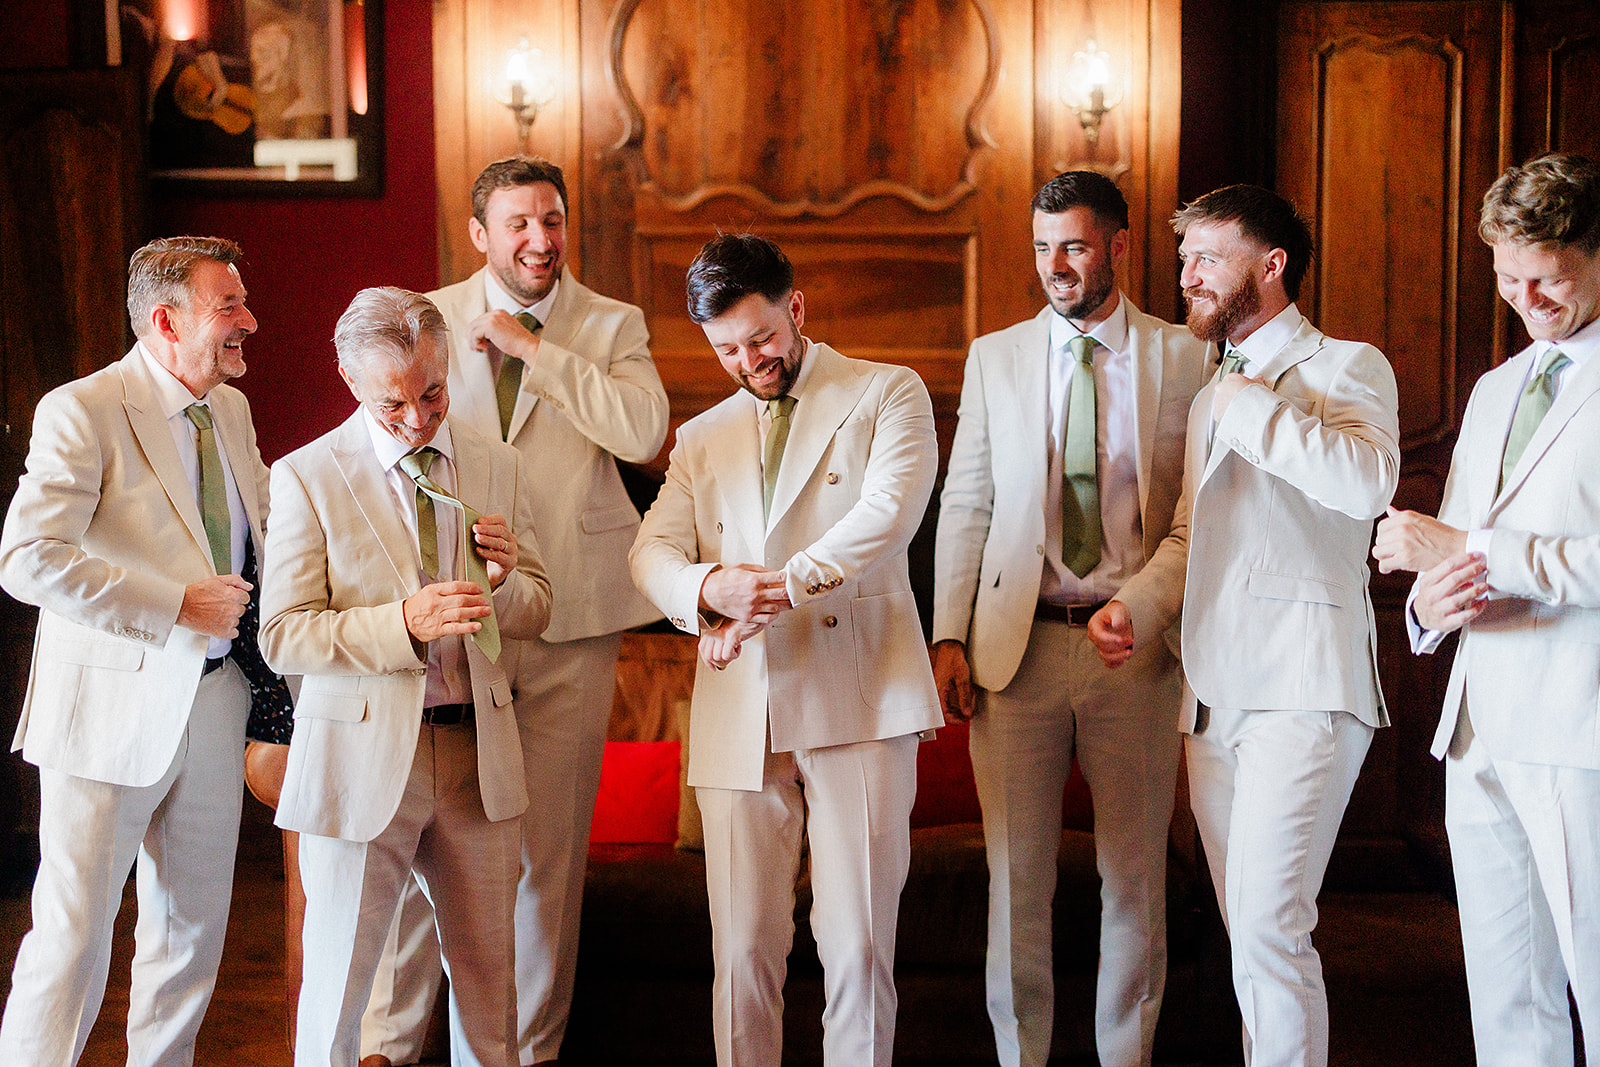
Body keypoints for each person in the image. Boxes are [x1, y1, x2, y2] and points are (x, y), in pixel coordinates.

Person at [360, 155, 667, 1067]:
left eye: (553, 220)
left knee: (548, 862)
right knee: (430, 844)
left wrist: (536, 349)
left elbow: (645, 433)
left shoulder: (611, 323)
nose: (541, 240)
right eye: (520, 223)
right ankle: (386, 1048)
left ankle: (526, 1055)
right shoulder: (424, 314)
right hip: (457, 621)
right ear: (479, 234)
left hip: (573, 617)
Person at [629, 233, 941, 1067]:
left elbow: (889, 516)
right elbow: (650, 554)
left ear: (795, 308)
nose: (748, 361)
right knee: (741, 954)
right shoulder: (702, 437)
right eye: (727, 349)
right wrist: (707, 587)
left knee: (859, 946)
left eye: (761, 338)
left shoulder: (886, 391)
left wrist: (773, 589)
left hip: (861, 691)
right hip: (741, 705)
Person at [931, 170, 1209, 1067]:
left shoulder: (1186, 356)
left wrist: (1147, 609)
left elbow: (1197, 515)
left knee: (1135, 880)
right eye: (1043, 247)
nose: (1055, 265)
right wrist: (948, 633)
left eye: (1076, 246)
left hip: (1138, 654)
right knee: (1017, 885)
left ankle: (1126, 1057)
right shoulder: (995, 356)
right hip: (1017, 652)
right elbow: (966, 501)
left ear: (1119, 246)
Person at [0, 235, 291, 1065]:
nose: (250, 321)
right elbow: (27, 559)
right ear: (166, 321)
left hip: (217, 699)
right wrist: (175, 604)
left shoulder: (231, 410)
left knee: (191, 934)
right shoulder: (82, 409)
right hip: (108, 708)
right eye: (228, 306)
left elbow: (271, 532)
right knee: (74, 935)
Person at [259, 287, 552, 1067]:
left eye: (433, 392)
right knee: (337, 997)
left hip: (478, 758)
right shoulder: (307, 475)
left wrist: (505, 582)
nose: (419, 418)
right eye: (394, 402)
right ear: (350, 380)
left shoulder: (497, 463)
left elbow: (538, 605)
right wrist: (402, 624)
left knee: (493, 1009)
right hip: (360, 763)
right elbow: (283, 634)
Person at [1162, 185, 1399, 1067]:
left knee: (1271, 930)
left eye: (1207, 258)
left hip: (1303, 688)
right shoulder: (1210, 395)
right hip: (1211, 701)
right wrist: (1131, 612)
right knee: (1249, 941)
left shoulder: (1347, 366)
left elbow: (1366, 484)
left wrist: (1253, 408)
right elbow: (1190, 536)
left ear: (1271, 265)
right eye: (1185, 259)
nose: (1188, 275)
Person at [1373, 151, 1600, 1066]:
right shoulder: (1496, 388)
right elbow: (1459, 548)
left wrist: (1471, 547)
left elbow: (1478, 541)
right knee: (1507, 1006)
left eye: (1547, 277)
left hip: (1581, 730)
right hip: (1477, 731)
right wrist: (1428, 603)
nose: (1526, 300)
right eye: (1508, 279)